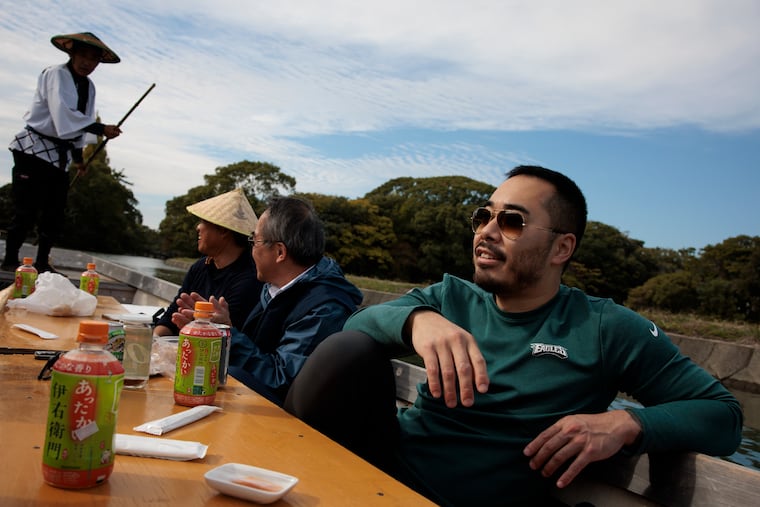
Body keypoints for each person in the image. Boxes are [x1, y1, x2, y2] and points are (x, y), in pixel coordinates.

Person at [284, 165, 744, 507]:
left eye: (512, 222)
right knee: (348, 351)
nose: (486, 231)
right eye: (483, 216)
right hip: (379, 477)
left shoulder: (604, 327)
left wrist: (628, 424)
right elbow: (353, 328)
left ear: (562, 248)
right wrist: (417, 321)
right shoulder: (451, 297)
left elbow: (724, 416)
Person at [177, 196, 363, 406]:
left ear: (280, 252)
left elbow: (281, 381)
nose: (251, 250)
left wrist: (226, 335)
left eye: (254, 241)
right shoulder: (276, 290)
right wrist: (220, 331)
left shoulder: (324, 309)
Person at [2, 32, 123, 273]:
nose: (87, 63)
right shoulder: (56, 74)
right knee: (26, 208)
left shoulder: (88, 86)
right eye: (83, 55)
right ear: (72, 53)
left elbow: (79, 124)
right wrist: (101, 128)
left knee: (54, 212)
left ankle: (42, 261)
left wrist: (79, 161)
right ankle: (10, 259)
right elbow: (63, 113)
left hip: (59, 157)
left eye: (93, 59)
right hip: (32, 149)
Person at [153, 188, 263, 337]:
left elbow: (230, 340)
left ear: (223, 231)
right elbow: (170, 318)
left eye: (203, 221)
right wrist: (155, 343)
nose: (198, 227)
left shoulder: (250, 278)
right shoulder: (200, 267)